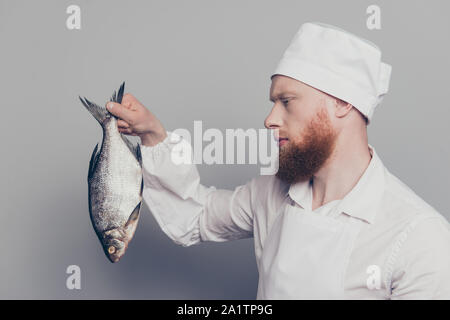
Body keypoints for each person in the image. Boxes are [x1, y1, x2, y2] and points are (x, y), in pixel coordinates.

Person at [105, 22, 450, 299]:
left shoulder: (421, 239)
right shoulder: (270, 194)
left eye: (286, 101)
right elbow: (194, 217)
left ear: (343, 103)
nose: (269, 119)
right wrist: (153, 135)